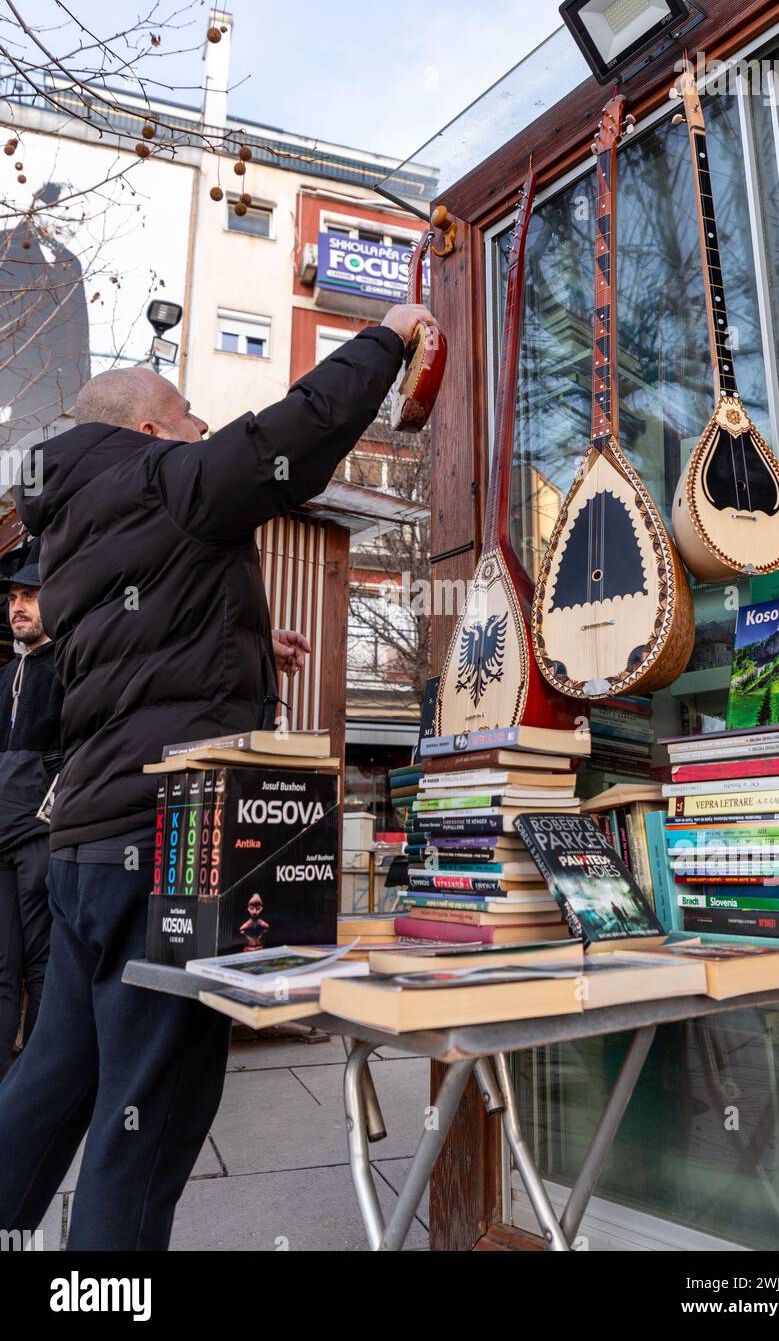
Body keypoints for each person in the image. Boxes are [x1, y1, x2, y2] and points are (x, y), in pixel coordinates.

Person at [0, 303, 434, 1250]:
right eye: (191, 412)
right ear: (150, 427)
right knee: (146, 1113)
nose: (204, 425)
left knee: (52, 1082)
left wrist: (244, 640)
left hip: (84, 845)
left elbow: (138, 646)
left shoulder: (73, 524)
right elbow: (295, 432)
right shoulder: (166, 478)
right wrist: (388, 339)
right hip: (169, 843)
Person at [0, 541, 63, 1073]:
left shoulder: (68, 664)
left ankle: (37, 1081)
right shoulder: (4, 677)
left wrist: (49, 807)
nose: (18, 606)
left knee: (42, 963)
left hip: (41, 833)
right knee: (2, 966)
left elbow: (79, 747)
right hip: (0, 833)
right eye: (14, 598)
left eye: (30, 597)